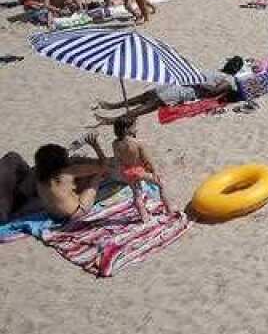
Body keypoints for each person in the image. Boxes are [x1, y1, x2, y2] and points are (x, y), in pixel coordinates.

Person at [95, 67, 238, 122]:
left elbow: (212, 92)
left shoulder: (225, 78)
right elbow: (211, 90)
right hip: (184, 86)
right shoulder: (224, 75)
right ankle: (114, 108)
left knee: (149, 101)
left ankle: (113, 115)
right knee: (147, 98)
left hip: (184, 88)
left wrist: (199, 82)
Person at [111, 115, 177, 220]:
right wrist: (154, 171)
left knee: (137, 194)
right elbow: (147, 160)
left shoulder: (115, 143)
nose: (136, 128)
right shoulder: (138, 143)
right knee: (161, 184)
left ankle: (144, 217)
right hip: (138, 170)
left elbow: (117, 159)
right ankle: (169, 210)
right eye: (134, 126)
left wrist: (122, 171)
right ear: (127, 129)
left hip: (126, 171)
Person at [33, 135, 110, 221]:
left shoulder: (39, 176)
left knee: (77, 180)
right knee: (97, 173)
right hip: (76, 212)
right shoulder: (67, 172)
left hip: (54, 215)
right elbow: (103, 165)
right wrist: (95, 146)